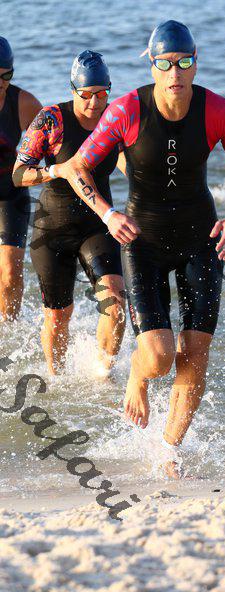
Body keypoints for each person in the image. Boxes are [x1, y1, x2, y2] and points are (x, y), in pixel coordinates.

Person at [51, 21, 225, 477]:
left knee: (196, 353)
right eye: (166, 64)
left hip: (200, 240)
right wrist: (108, 214)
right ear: (152, 65)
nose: (176, 73)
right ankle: (136, 371)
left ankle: (170, 448)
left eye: (185, 62)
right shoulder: (127, 110)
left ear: (196, 63)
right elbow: (77, 168)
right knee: (159, 355)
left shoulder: (219, 111)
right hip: (142, 242)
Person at [12, 50, 126, 377]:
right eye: (86, 94)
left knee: (115, 302)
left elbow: (128, 159)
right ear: (73, 89)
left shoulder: (115, 118)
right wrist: (56, 170)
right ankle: (57, 379)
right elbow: (19, 175)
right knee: (58, 316)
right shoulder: (51, 119)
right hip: (53, 229)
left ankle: (103, 375)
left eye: (102, 94)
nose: (94, 102)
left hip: (97, 225)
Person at [0, 36, 41, 320]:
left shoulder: (24, 103)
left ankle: (8, 334)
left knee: (11, 273)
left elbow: (55, 144)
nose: (1, 82)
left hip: (10, 193)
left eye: (7, 75)